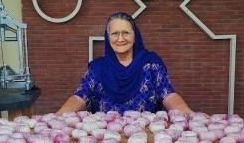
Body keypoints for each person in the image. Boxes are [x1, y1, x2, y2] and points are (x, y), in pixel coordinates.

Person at [56, 12, 192, 115]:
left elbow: (168, 95)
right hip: (104, 140)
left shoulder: (151, 64)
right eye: (115, 33)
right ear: (108, 38)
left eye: (126, 33)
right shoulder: (97, 68)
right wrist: (58, 116)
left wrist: (190, 115)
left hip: (146, 137)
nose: (120, 39)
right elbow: (80, 97)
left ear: (135, 37)